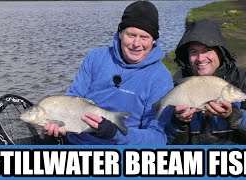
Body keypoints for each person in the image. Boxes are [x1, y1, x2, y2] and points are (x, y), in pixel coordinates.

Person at [44, 1, 174, 145]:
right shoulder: (96, 57)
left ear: (154, 40)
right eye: (131, 35)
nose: (136, 44)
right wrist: (59, 123)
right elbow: (72, 99)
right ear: (120, 34)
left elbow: (157, 138)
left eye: (144, 37)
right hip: (76, 143)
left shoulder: (161, 77)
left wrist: (115, 134)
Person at [162, 19, 246, 145]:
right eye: (194, 52)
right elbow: (166, 140)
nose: (200, 58)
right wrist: (179, 122)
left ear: (220, 52)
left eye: (206, 50)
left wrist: (233, 115)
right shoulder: (179, 85)